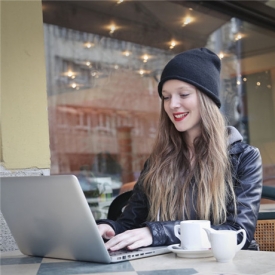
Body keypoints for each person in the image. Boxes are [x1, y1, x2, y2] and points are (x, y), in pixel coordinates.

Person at [97, 48, 263, 251]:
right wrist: (107, 227)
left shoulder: (244, 157)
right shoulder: (159, 161)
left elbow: (238, 233)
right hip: (168, 267)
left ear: (207, 99)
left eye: (183, 94)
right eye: (166, 97)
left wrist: (156, 232)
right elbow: (130, 223)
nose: (173, 105)